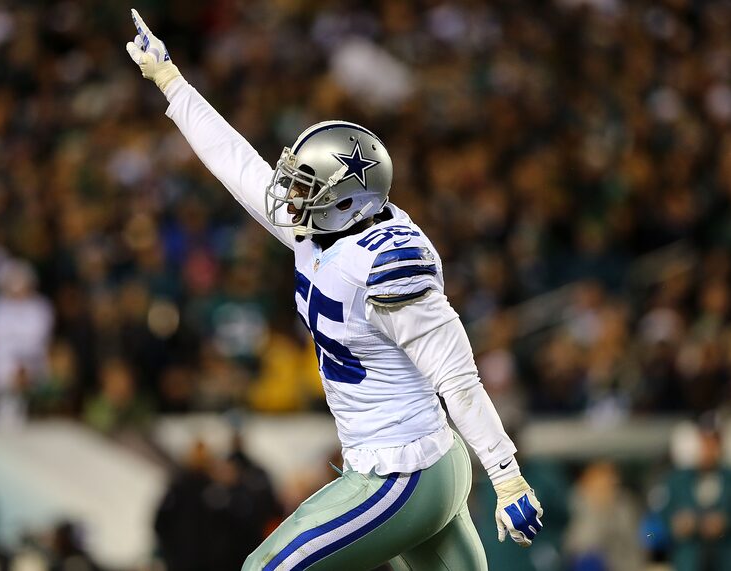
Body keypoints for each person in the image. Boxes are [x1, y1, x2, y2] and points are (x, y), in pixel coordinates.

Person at [127, 10, 543, 570]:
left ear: (348, 199)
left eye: (305, 185)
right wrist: (172, 83)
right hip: (406, 463)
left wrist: (508, 476)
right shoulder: (320, 229)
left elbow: (457, 377)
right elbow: (239, 166)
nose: (289, 196)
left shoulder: (389, 262)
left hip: (403, 470)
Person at [654, 417, 731, 571]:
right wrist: (677, 522)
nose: (708, 449)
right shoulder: (676, 481)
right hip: (690, 559)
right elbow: (663, 512)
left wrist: (727, 522)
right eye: (704, 443)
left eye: (712, 444)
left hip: (730, 559)